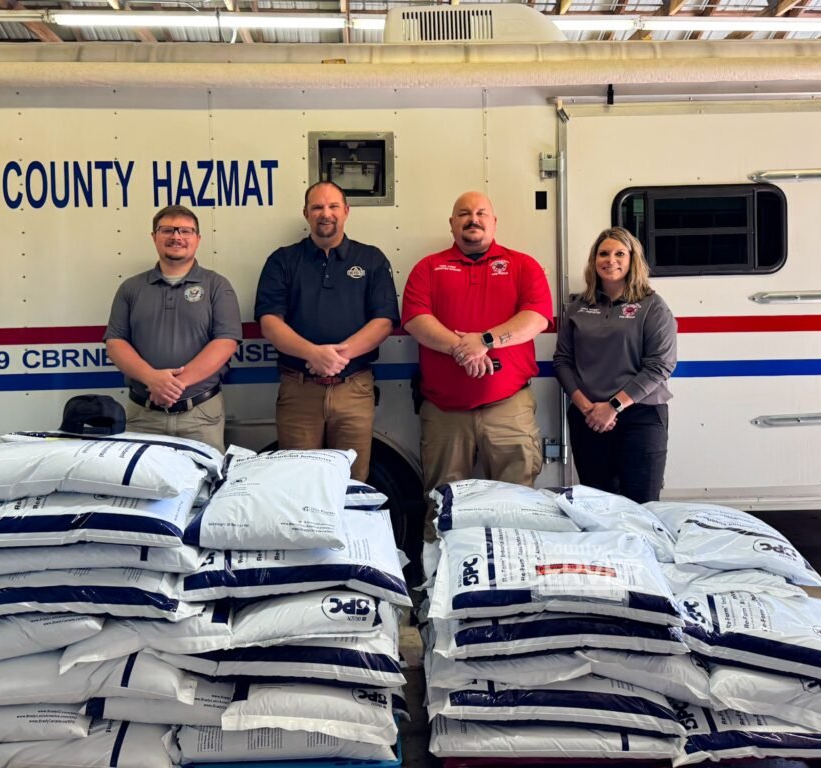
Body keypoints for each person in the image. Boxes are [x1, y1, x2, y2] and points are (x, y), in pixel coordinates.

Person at [402, 191, 553, 540]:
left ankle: (515, 584)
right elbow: (415, 319)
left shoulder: (522, 265)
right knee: (442, 506)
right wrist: (462, 348)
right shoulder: (428, 267)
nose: (474, 219)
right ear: (452, 224)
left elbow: (536, 318)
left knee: (518, 504)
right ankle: (437, 585)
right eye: (464, 213)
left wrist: (484, 341)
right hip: (444, 413)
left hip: (508, 409)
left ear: (494, 222)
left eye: (482, 212)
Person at [254, 181, 400, 482]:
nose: (326, 213)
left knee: (351, 482)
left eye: (333, 206)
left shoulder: (371, 259)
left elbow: (384, 321)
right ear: (306, 213)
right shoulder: (282, 260)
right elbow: (269, 322)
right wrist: (313, 354)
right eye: (318, 207)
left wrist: (337, 357)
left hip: (354, 389)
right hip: (299, 390)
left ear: (345, 211)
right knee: (298, 483)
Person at [553, 226, 677, 502]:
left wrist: (613, 406)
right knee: (599, 505)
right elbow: (562, 361)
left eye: (620, 253)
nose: (611, 260)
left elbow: (660, 365)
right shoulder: (577, 307)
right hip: (589, 419)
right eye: (604, 253)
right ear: (594, 261)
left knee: (641, 505)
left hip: (640, 417)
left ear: (633, 260)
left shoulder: (652, 306)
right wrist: (588, 409)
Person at [104, 205, 241, 453]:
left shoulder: (217, 286)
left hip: (200, 416)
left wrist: (172, 386)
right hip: (143, 415)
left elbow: (226, 342)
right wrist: (152, 379)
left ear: (197, 239)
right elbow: (115, 343)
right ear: (154, 236)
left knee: (205, 487)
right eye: (167, 230)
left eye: (185, 231)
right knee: (141, 488)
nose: (176, 237)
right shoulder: (131, 288)